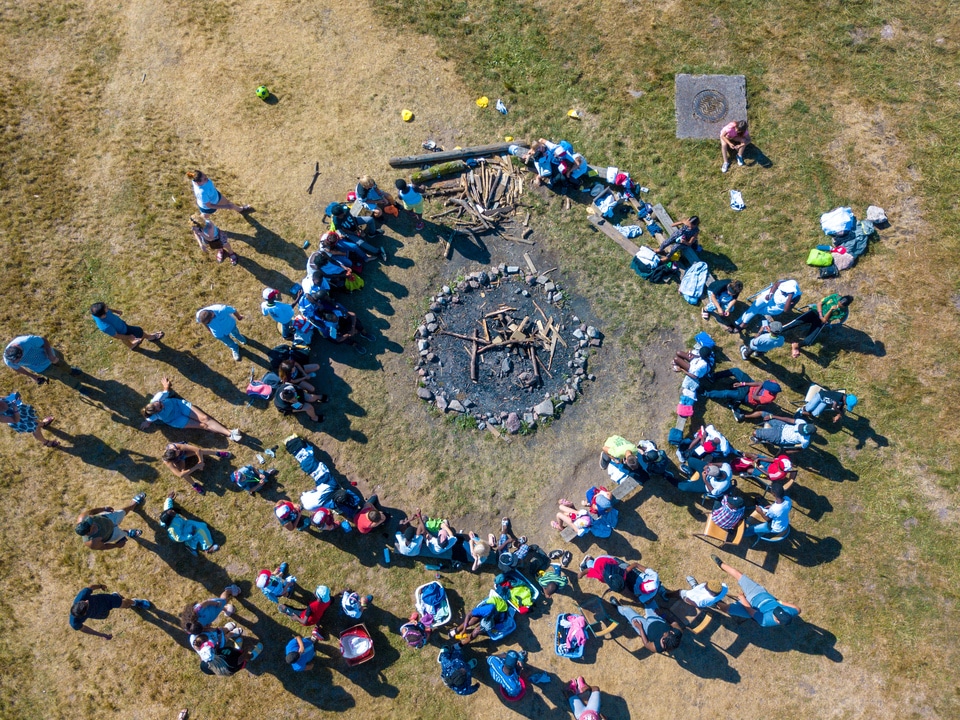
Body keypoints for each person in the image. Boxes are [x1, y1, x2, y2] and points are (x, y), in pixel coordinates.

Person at [140, 376, 241, 442]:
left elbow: (166, 391)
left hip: (179, 405)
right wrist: (147, 423)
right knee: (203, 425)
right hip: (175, 419)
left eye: (160, 403)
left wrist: (166, 385)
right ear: (157, 412)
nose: (162, 404)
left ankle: (230, 434)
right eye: (160, 407)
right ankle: (230, 433)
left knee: (205, 418)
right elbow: (148, 419)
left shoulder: (158, 398)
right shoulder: (153, 416)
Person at [711, 555, 801, 626]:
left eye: (775, 613)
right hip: (759, 592)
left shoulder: (765, 621)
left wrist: (742, 599)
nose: (775, 609)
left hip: (751, 605)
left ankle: (716, 603)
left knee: (727, 609)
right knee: (738, 574)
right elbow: (798, 609)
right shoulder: (791, 612)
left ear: (778, 621)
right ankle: (721, 564)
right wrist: (779, 602)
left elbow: (750, 610)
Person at [782, 294, 853, 358]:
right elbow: (819, 303)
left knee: (808, 342)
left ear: (845, 306)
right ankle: (775, 331)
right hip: (814, 312)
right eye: (839, 302)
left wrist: (831, 310)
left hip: (820, 322)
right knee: (793, 324)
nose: (839, 304)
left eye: (841, 305)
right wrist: (820, 315)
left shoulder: (843, 313)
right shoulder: (835, 297)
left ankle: (796, 345)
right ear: (840, 299)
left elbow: (825, 321)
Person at [69, 584, 151, 639]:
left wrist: (100, 586)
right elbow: (84, 629)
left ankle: (136, 602)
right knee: (107, 614)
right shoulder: (75, 623)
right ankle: (116, 596)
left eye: (85, 601)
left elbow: (90, 587)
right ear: (85, 613)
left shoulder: (82, 597)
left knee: (126, 605)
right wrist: (102, 635)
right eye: (86, 604)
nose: (87, 601)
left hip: (105, 600)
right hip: (100, 613)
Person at [609, 597, 683, 653]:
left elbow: (647, 644)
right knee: (649, 600)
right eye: (668, 632)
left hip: (645, 628)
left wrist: (640, 628)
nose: (664, 633)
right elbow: (673, 622)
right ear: (673, 632)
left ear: (664, 642)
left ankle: (618, 607)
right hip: (657, 619)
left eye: (664, 635)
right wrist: (662, 614)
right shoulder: (678, 632)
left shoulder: (658, 647)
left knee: (627, 610)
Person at [75, 493, 146, 550]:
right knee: (122, 534)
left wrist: (104, 509)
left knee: (122, 512)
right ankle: (128, 533)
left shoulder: (83, 517)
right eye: (91, 525)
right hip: (112, 535)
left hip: (108, 518)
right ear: (88, 533)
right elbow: (104, 547)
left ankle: (133, 504)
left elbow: (93, 511)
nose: (93, 523)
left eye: (89, 521)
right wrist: (117, 545)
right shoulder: (91, 543)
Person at [4, 335, 80, 385]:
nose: (17, 362)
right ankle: (79, 387)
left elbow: (44, 341)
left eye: (18, 360)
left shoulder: (27, 341)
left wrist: (50, 355)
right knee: (61, 376)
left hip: (52, 355)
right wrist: (32, 376)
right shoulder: (9, 361)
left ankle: (71, 371)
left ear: (21, 352)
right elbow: (17, 368)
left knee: (63, 364)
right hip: (43, 368)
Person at [732, 279, 801, 333]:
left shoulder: (795, 297)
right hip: (769, 297)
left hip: (775, 307)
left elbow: (786, 310)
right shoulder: (784, 283)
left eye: (784, 291)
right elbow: (776, 285)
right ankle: (743, 323)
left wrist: (790, 296)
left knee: (755, 310)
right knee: (754, 308)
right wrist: (770, 294)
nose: (782, 291)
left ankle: (740, 322)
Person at [161, 442, 231, 494]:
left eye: (176, 450)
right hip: (179, 461)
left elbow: (198, 450)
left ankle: (218, 453)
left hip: (185, 453)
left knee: (201, 451)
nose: (178, 450)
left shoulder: (176, 447)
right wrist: (196, 467)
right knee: (183, 473)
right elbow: (180, 475)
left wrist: (201, 462)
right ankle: (194, 485)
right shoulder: (167, 462)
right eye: (177, 452)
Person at [702, 368, 781, 413]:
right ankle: (713, 377)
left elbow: (754, 396)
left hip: (746, 396)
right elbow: (758, 383)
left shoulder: (768, 398)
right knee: (736, 370)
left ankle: (706, 393)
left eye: (766, 386)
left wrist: (760, 385)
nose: (765, 385)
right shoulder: (773, 383)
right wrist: (743, 384)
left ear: (771, 392)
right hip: (750, 384)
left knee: (726, 393)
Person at [90, 303, 163, 350]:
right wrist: (129, 337)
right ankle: (150, 337)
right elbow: (116, 335)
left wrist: (116, 311)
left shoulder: (96, 312)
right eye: (106, 308)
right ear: (103, 315)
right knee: (139, 331)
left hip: (120, 324)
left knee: (124, 338)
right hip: (123, 330)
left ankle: (132, 346)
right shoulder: (105, 327)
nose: (107, 307)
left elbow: (108, 309)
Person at [186, 170, 252, 216]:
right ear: (198, 182)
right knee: (204, 220)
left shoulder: (195, 178)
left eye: (205, 176)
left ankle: (241, 210)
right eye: (205, 179)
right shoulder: (201, 193)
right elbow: (209, 205)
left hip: (217, 196)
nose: (207, 178)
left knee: (229, 203)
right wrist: (225, 206)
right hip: (208, 208)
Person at [668, 461, 733, 499]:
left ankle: (668, 477)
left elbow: (713, 492)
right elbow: (722, 464)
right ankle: (691, 472)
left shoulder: (721, 486)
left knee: (683, 487)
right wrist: (710, 465)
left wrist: (705, 479)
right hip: (707, 475)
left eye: (708, 473)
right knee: (691, 460)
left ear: (713, 476)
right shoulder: (727, 467)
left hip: (705, 485)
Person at [751, 413, 815, 449]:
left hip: (780, 436)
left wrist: (786, 450)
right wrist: (772, 416)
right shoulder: (802, 422)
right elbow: (788, 420)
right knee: (764, 414)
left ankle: (759, 439)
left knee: (754, 433)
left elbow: (799, 449)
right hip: (782, 425)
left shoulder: (805, 440)